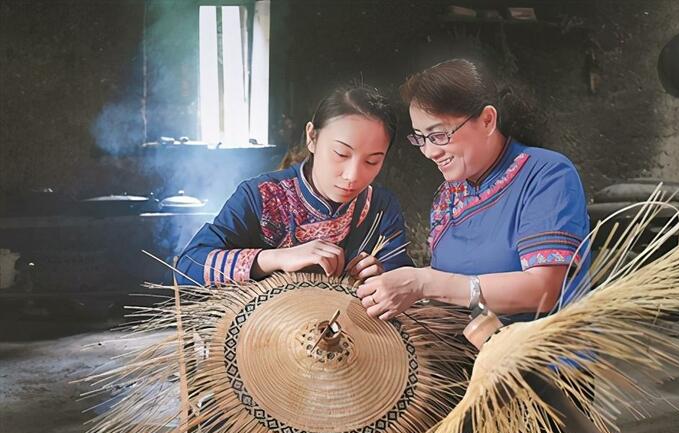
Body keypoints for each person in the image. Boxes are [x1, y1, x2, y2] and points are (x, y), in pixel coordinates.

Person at [357, 59, 590, 346]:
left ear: (487, 120)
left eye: (439, 135)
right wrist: (393, 281)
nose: (430, 151)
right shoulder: (448, 195)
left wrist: (423, 283)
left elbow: (544, 289)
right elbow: (451, 281)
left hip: (539, 366)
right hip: (465, 359)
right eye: (421, 138)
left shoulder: (546, 174)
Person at [176, 83, 413, 286]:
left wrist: (383, 275)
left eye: (372, 161)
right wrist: (275, 258)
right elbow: (188, 267)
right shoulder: (259, 196)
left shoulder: (380, 206)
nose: (353, 176)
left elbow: (401, 277)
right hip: (264, 335)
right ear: (312, 137)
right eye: (341, 154)